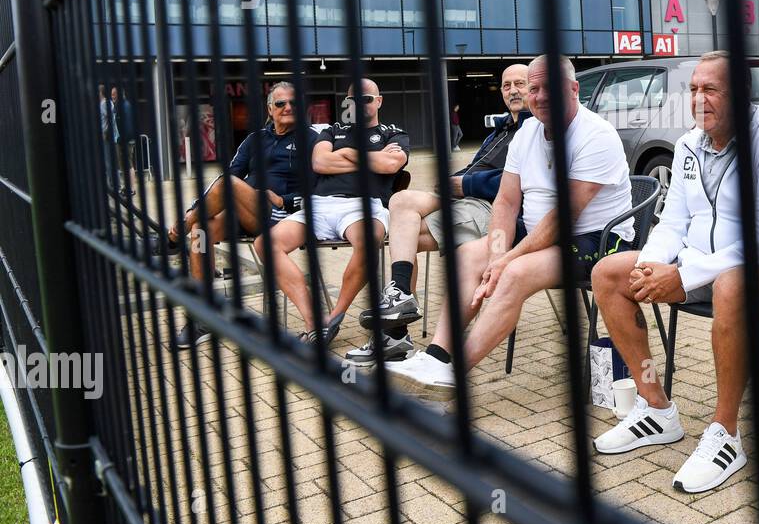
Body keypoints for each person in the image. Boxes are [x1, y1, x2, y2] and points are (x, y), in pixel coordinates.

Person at [589, 51, 759, 494]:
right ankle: (655, 407)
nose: (698, 98)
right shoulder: (689, 143)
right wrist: (652, 265)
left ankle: (726, 433)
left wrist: (683, 275)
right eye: (693, 89)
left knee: (732, 284)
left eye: (710, 89)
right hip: (700, 266)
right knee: (609, 274)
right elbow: (673, 221)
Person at [383, 55, 632, 396]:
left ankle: (455, 374)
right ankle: (438, 358)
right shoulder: (527, 132)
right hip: (537, 234)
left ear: (574, 89)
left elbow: (563, 217)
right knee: (470, 255)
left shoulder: (595, 135)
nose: (541, 96)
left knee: (514, 274)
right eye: (535, 88)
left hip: (596, 240)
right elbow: (506, 201)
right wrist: (497, 252)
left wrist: (506, 262)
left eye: (551, 88)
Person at [345, 63, 530, 365]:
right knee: (402, 202)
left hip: (492, 208)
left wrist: (464, 183)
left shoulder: (534, 128)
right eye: (507, 85)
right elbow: (475, 167)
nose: (512, 90)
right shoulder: (501, 129)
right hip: (466, 197)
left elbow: (521, 182)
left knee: (404, 238)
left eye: (520, 84)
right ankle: (400, 295)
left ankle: (394, 337)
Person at [258, 78, 409, 343]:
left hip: (365, 205)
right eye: (354, 99)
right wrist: (366, 157)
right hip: (319, 204)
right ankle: (313, 320)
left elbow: (390, 165)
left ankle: (334, 317)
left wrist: (346, 153)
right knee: (264, 245)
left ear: (379, 101)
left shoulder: (392, 133)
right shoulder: (332, 130)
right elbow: (319, 162)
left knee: (368, 240)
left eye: (367, 99)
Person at [171, 82, 305, 349]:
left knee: (228, 186)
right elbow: (230, 175)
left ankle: (180, 226)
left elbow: (316, 189)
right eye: (280, 103)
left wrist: (283, 200)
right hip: (242, 212)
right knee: (200, 229)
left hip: (276, 217)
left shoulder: (310, 140)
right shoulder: (255, 139)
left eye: (293, 103)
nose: (288, 107)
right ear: (270, 109)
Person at [110, 85, 138, 197]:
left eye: (113, 94)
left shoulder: (124, 106)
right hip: (124, 139)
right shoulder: (122, 105)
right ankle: (128, 187)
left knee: (129, 164)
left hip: (126, 140)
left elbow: (127, 125)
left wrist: (123, 139)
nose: (112, 96)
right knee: (125, 165)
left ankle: (131, 188)